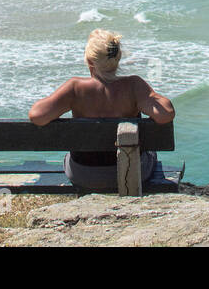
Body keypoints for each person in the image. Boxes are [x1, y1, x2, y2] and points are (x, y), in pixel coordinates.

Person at [29, 29, 174, 192]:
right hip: (131, 172)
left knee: (69, 157)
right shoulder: (134, 85)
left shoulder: (75, 88)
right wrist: (148, 95)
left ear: (90, 61)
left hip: (83, 174)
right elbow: (165, 114)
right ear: (117, 58)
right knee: (150, 152)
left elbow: (37, 116)